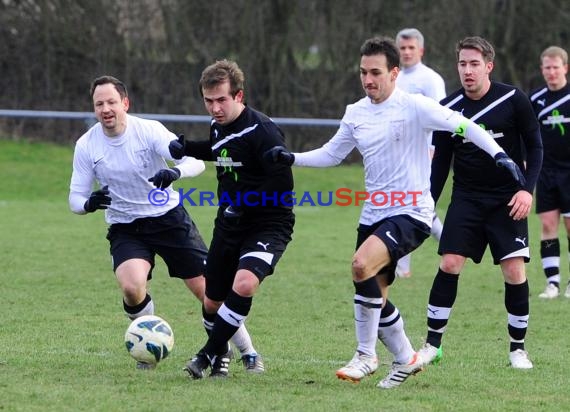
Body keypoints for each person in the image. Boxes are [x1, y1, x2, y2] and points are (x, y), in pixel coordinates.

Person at [266, 36, 525, 388]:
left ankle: (365, 355)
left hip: (412, 213)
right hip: (373, 214)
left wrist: (499, 154)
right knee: (374, 291)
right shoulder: (355, 112)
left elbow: (465, 126)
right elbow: (332, 154)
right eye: (362, 73)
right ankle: (406, 358)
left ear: (394, 73)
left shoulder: (415, 106)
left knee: (360, 264)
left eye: (375, 73)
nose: (368, 80)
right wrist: (292, 158)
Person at [69, 75, 260, 371]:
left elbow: (194, 161)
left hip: (169, 220)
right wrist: (88, 204)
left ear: (125, 103)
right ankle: (148, 344)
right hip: (126, 227)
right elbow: (75, 199)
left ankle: (248, 352)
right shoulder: (87, 145)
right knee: (132, 288)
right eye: (99, 104)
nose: (106, 109)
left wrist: (175, 173)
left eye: (111, 102)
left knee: (208, 291)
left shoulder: (148, 131)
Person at [416, 36, 543, 373]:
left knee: (515, 271)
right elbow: (441, 161)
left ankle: (518, 349)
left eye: (474, 64)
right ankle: (432, 345)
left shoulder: (514, 99)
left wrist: (527, 190)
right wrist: (427, 202)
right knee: (450, 263)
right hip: (467, 198)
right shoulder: (448, 107)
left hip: (508, 199)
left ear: (489, 66)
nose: (467, 71)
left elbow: (536, 148)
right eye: (462, 64)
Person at [168, 59, 295, 379]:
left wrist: (247, 202)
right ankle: (221, 356)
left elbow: (282, 181)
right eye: (208, 101)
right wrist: (188, 148)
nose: (215, 108)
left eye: (221, 100)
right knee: (212, 302)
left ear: (239, 96)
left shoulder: (262, 130)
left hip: (269, 223)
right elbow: (221, 149)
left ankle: (206, 354)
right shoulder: (218, 125)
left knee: (246, 283)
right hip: (228, 222)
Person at [395, 27, 447, 278]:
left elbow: (440, 118)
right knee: (409, 204)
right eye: (402, 48)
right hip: (398, 154)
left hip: (423, 155)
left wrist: (433, 150)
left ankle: (402, 267)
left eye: (410, 48)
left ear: (421, 50)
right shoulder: (394, 77)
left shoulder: (430, 79)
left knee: (410, 205)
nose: (406, 52)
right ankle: (449, 242)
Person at [529, 46, 570, 299]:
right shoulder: (535, 100)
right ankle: (552, 283)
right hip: (546, 171)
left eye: (556, 67)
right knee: (547, 225)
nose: (552, 72)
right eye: (547, 68)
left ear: (565, 68)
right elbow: (528, 136)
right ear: (542, 70)